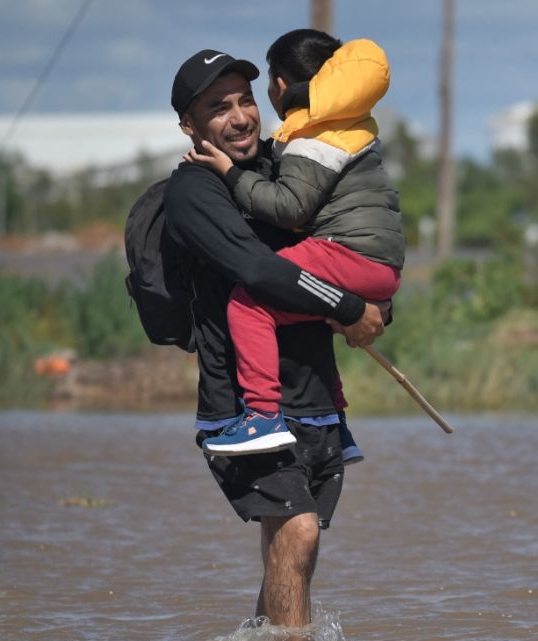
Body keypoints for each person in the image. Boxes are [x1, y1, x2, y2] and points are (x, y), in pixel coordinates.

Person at [164, 47, 387, 633]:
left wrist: (378, 305)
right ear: (190, 125)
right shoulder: (194, 191)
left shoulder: (289, 166)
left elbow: (353, 244)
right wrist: (347, 305)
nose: (239, 117)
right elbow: (258, 269)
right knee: (299, 531)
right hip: (245, 409)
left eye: (245, 101)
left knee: (289, 558)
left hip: (316, 402)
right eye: (218, 108)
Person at [186, 30, 404, 457]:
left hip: (349, 252)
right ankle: (338, 426)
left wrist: (230, 173)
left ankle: (263, 416)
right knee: (304, 305)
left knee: (250, 301)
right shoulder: (352, 126)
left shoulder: (311, 134)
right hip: (381, 265)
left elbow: (290, 208)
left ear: (280, 85)